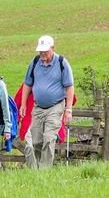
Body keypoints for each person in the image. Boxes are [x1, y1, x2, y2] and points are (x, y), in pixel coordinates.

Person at [20, 35, 74, 168]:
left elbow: (69, 87)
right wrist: (23, 104)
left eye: (45, 50)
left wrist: (68, 110)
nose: (43, 53)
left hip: (55, 106)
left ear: (53, 48)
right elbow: (27, 84)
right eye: (41, 50)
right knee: (37, 141)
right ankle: (38, 169)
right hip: (38, 107)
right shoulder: (35, 62)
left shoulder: (62, 63)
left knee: (49, 139)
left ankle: (45, 171)